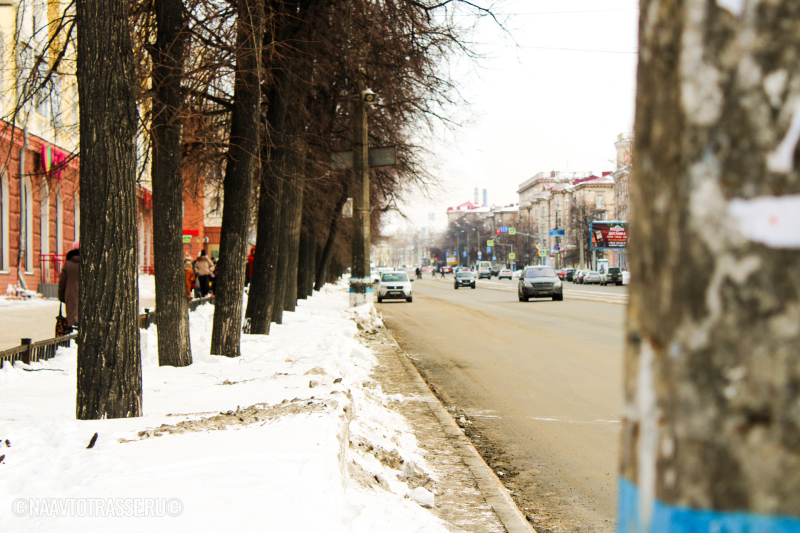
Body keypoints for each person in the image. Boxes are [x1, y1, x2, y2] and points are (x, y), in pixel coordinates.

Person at [58, 241, 80, 331]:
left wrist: (61, 297)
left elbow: (62, 283)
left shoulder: (68, 263)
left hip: (71, 296)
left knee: (72, 320)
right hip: (87, 296)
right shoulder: (90, 263)